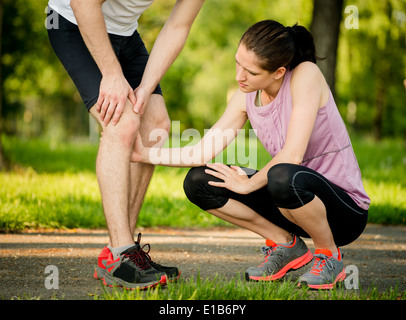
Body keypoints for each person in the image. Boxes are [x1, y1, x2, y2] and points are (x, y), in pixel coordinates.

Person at [131, 20, 370, 289]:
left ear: (279, 72)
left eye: (251, 72)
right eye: (238, 63)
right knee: (199, 180)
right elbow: (200, 152)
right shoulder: (246, 95)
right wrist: (142, 153)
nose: (239, 76)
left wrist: (248, 185)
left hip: (343, 212)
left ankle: (328, 254)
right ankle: (286, 244)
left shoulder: (306, 75)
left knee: (282, 175)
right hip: (292, 202)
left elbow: (292, 154)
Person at [47, 0, 205, 289]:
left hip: (125, 34)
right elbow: (82, 3)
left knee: (155, 125)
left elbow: (177, 26)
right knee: (122, 122)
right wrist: (111, 73)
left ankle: (123, 252)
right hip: (73, 23)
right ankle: (120, 254)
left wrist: (146, 85)